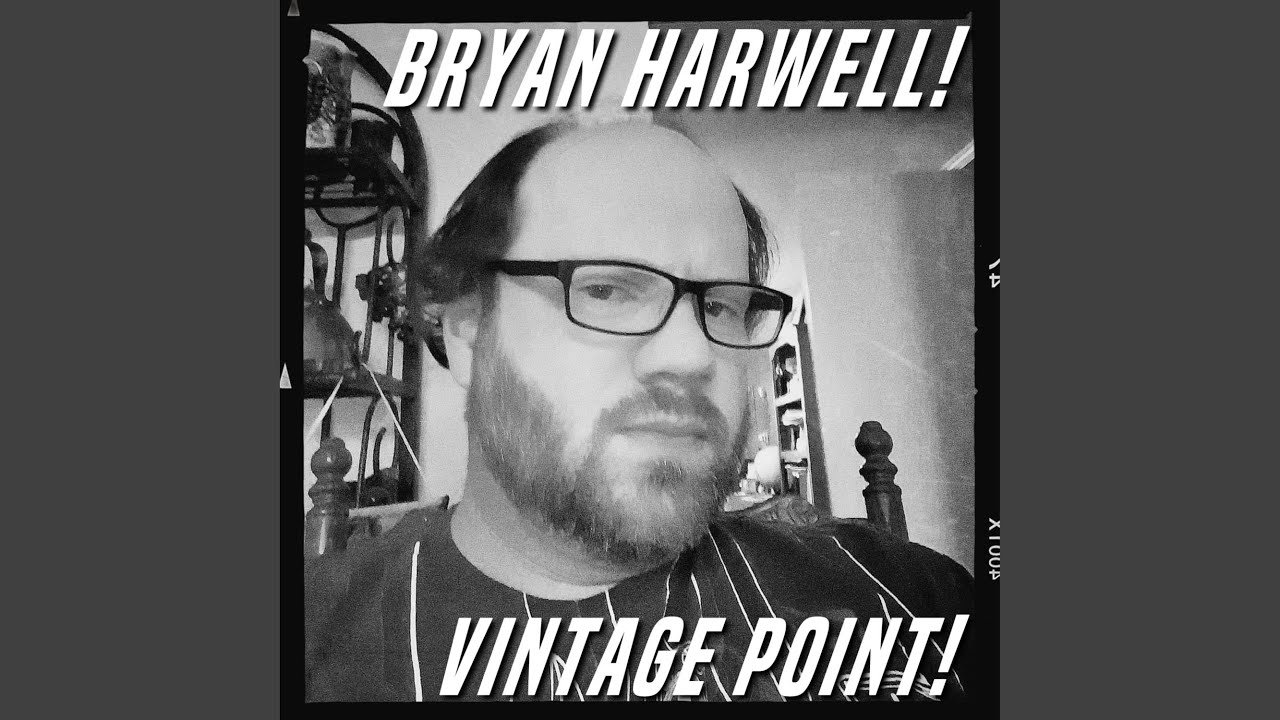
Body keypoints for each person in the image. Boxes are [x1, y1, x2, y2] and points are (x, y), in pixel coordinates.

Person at [305, 120, 975, 702]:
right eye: (605, 290)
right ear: (466, 329)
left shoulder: (907, 599)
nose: (691, 356)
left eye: (722, 306)